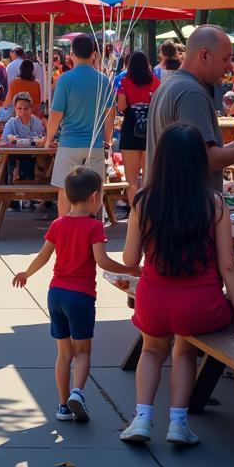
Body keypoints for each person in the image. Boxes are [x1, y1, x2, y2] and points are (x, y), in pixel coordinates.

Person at [121, 124, 234, 446]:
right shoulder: (214, 204)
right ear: (198, 160)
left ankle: (142, 419)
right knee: (184, 353)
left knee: (151, 350)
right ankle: (178, 424)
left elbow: (131, 259)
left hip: (153, 300)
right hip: (200, 306)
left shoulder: (143, 202)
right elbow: (229, 266)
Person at [13, 168, 138, 422]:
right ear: (94, 197)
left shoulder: (58, 224)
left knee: (63, 354)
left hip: (56, 294)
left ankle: (62, 406)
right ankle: (78, 393)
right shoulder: (93, 227)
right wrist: (131, 269)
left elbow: (43, 256)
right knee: (83, 352)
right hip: (80, 297)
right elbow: (102, 261)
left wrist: (26, 273)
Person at [146, 26, 234, 191]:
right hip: (186, 208)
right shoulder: (192, 92)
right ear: (204, 55)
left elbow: (189, 154)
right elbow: (204, 158)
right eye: (225, 59)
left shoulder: (170, 85)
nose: (229, 67)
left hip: (168, 203)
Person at [46, 35, 116, 216]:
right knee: (95, 190)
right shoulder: (104, 80)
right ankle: (92, 229)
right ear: (93, 54)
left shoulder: (65, 79)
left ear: (71, 54)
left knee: (64, 188)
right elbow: (110, 114)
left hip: (69, 143)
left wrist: (49, 139)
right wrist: (107, 139)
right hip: (95, 143)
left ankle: (65, 232)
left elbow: (55, 115)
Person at [117, 51, 161, 212]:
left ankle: (135, 213)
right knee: (149, 177)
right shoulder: (155, 81)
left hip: (130, 130)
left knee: (131, 179)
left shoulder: (124, 82)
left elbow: (121, 106)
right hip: (150, 131)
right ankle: (149, 210)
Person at [2, 92, 46, 183]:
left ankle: (30, 186)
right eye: (19, 108)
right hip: (14, 155)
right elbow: (5, 139)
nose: (22, 111)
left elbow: (40, 137)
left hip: (32, 155)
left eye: (26, 108)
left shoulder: (37, 122)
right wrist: (11, 140)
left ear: (31, 109)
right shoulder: (11, 122)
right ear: (15, 109)